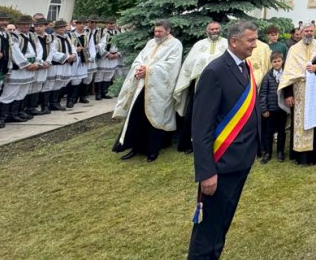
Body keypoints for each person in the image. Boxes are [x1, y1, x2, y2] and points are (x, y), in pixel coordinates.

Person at [187, 21, 262, 260]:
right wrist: (206, 172)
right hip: (220, 165)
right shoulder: (215, 72)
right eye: (250, 40)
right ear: (234, 41)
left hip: (241, 161)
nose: (255, 44)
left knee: (222, 222)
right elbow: (201, 128)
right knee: (209, 227)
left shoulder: (244, 66)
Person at [112, 20, 183, 163]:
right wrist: (139, 68)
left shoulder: (175, 44)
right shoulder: (151, 42)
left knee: (155, 119)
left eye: (160, 32)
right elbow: (140, 58)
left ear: (168, 31)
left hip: (159, 89)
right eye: (155, 31)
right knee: (137, 115)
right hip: (142, 86)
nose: (157, 34)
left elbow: (171, 66)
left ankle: (153, 150)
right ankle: (135, 148)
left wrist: (149, 71)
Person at [278, 23, 316, 165]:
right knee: (300, 124)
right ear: (301, 32)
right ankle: (301, 156)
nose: (309, 33)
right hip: (298, 93)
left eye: (311, 30)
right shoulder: (293, 49)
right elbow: (288, 74)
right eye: (306, 31)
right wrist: (288, 94)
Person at [174, 21, 227, 154]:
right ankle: (191, 143)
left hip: (221, 86)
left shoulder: (227, 43)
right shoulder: (199, 45)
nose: (214, 31)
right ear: (207, 31)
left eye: (216, 29)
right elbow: (189, 64)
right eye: (212, 29)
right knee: (196, 114)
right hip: (200, 86)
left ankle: (219, 142)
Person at [0, 15, 37, 123]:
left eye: (27, 24)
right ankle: (2, 117)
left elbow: (39, 49)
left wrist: (37, 62)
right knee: (10, 92)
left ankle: (15, 113)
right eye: (22, 24)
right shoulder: (13, 36)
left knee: (22, 92)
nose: (25, 26)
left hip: (31, 66)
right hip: (17, 68)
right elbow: (15, 51)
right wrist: (26, 64)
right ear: (18, 25)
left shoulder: (32, 36)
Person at [258, 51, 287, 163]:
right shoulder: (268, 76)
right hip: (270, 109)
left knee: (281, 131)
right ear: (271, 63)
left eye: (278, 61)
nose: (277, 63)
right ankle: (267, 152)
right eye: (274, 61)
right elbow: (263, 93)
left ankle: (280, 152)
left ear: (282, 61)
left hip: (282, 109)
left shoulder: (286, 75)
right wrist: (264, 109)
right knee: (268, 132)